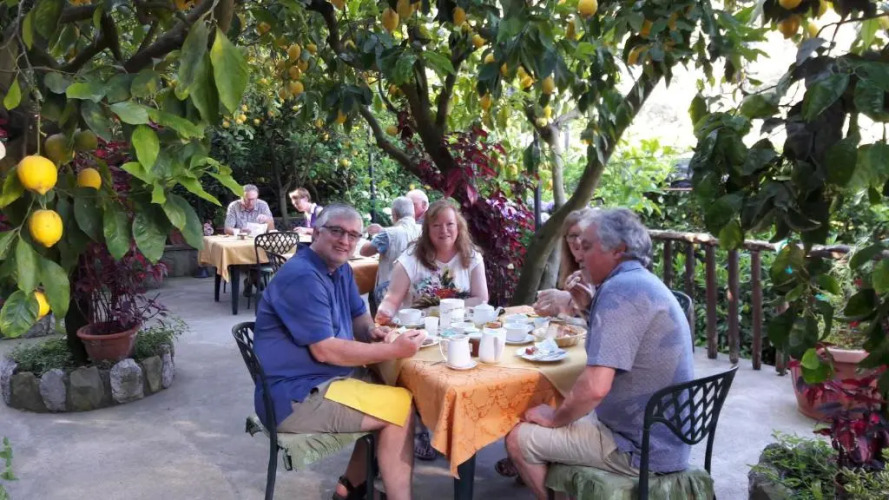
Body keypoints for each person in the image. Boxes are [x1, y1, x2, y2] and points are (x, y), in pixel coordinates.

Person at [503, 208, 694, 500]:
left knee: (519, 438)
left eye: (588, 246)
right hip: (663, 436)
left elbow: (595, 388)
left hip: (639, 448)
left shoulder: (620, 290)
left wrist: (555, 418)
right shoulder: (639, 281)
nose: (579, 255)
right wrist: (586, 307)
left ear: (618, 250)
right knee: (564, 413)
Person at [254, 204, 423, 500]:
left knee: (393, 386)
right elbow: (325, 350)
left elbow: (359, 315)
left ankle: (349, 489)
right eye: (337, 231)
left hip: (324, 380)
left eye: (353, 235)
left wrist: (371, 331)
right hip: (294, 397)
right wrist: (391, 349)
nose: (345, 240)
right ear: (316, 233)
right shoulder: (303, 276)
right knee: (400, 409)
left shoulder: (339, 268)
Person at [375, 199, 489, 320]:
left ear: (458, 226)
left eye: (450, 224)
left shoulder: (472, 257)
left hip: (462, 328)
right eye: (436, 225)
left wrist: (443, 309)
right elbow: (391, 300)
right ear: (427, 230)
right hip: (419, 329)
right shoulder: (411, 258)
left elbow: (481, 299)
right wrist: (384, 312)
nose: (443, 230)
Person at [360, 197, 421, 314]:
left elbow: (364, 251)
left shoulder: (387, 234)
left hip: (390, 291)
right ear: (413, 214)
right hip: (418, 288)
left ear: (394, 215)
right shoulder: (424, 231)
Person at [532, 208, 596, 318]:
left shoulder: (608, 274)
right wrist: (556, 309)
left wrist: (569, 301)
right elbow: (580, 318)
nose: (578, 242)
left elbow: (606, 319)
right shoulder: (572, 271)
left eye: (584, 235)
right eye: (573, 236)